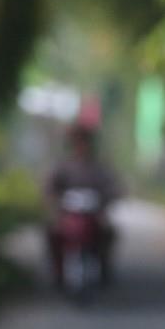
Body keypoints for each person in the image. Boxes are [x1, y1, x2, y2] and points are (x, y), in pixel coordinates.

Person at [44, 122, 121, 289]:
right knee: (52, 232)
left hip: (93, 213)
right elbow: (51, 186)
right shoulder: (64, 166)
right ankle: (58, 270)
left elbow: (112, 186)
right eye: (78, 141)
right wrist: (54, 201)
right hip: (68, 213)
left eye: (84, 141)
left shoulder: (99, 166)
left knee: (108, 233)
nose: (81, 145)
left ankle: (104, 268)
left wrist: (107, 199)